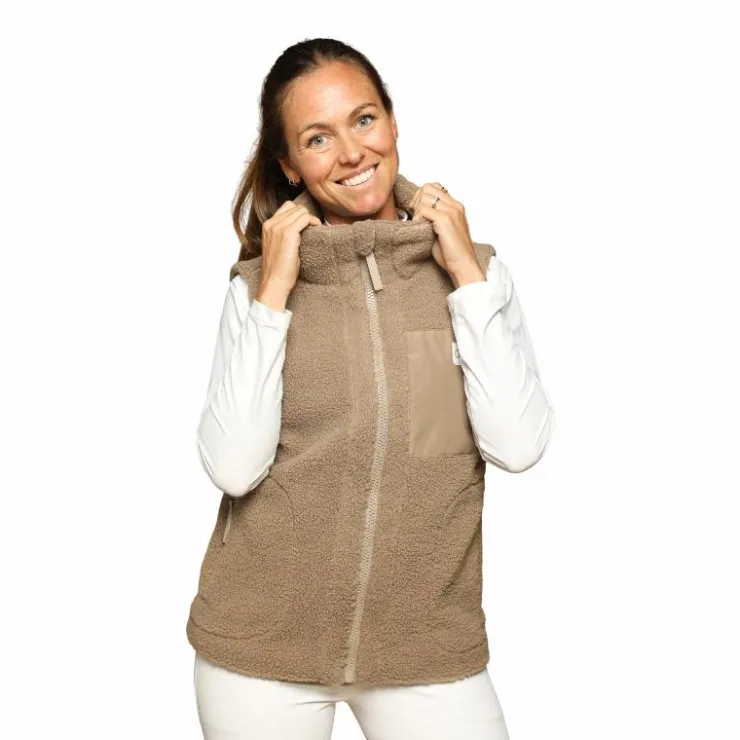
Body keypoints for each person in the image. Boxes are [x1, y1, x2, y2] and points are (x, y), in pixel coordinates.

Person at [186, 37, 554, 740]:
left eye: (363, 120)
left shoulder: (474, 274)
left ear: (392, 121)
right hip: (261, 653)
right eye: (318, 138)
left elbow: (517, 445)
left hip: (426, 647)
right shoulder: (258, 289)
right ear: (289, 165)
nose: (352, 153)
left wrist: (466, 280)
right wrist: (274, 292)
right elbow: (234, 467)